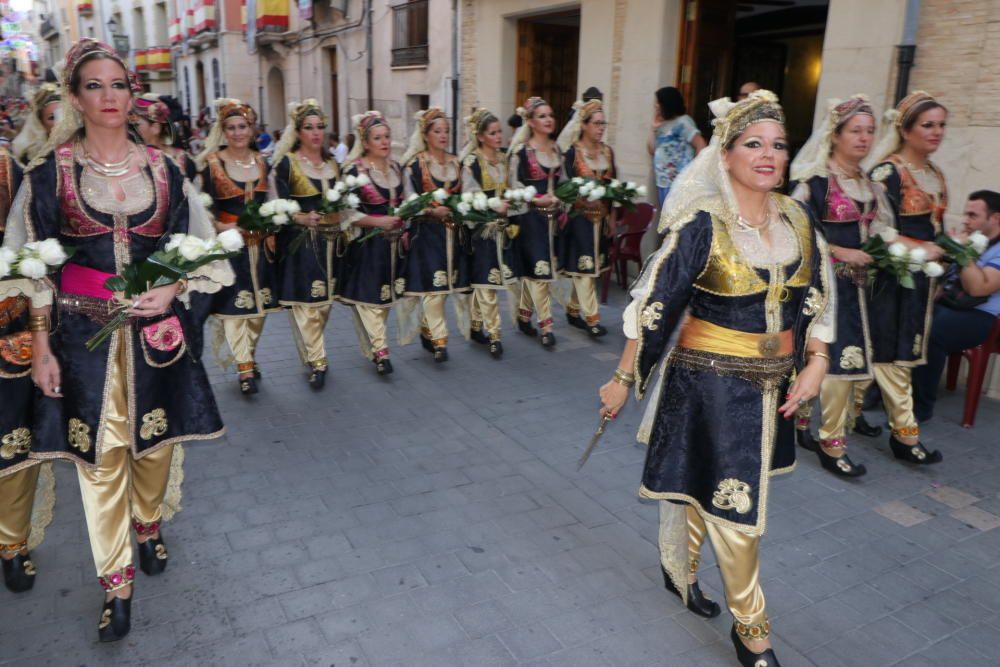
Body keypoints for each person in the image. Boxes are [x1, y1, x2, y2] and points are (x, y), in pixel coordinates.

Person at [598, 90, 834, 667]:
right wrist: (622, 379)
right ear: (724, 155)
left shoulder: (801, 222)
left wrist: (817, 364)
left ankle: (682, 567)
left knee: (713, 494)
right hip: (709, 386)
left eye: (778, 145)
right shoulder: (702, 228)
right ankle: (753, 631)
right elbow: (654, 305)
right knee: (738, 513)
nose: (769, 155)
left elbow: (820, 299)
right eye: (754, 144)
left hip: (775, 386)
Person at [7, 38, 228, 641]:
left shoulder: (166, 168)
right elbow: (30, 268)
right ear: (76, 98)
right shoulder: (49, 175)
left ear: (134, 95)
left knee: (154, 449)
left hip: (157, 334)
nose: (110, 96)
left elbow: (200, 249)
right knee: (100, 464)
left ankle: (150, 521)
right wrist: (43, 349)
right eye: (95, 86)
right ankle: (117, 585)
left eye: (120, 85)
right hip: (84, 342)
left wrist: (174, 286)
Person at [788, 95, 888, 477]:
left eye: (869, 131)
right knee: (836, 366)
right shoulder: (814, 182)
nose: (863, 139)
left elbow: (878, 231)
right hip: (828, 290)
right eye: (855, 131)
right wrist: (841, 252)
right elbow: (797, 234)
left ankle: (803, 424)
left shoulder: (868, 183)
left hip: (862, 292)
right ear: (836, 135)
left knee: (846, 363)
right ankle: (832, 444)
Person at [867, 91, 948, 463]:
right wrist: (918, 250)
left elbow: (936, 229)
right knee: (890, 353)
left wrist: (944, 255)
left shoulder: (934, 174)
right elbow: (873, 228)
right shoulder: (888, 172)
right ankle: (905, 435)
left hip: (922, 279)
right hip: (892, 276)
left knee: (896, 351)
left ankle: (847, 415)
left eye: (941, 125)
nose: (936, 132)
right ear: (906, 129)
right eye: (928, 125)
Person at [0, 144, 55, 595]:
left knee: (12, 441)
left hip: (7, 327)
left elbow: (36, 246)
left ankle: (11, 543)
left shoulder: (8, 167)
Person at [197, 98, 279, 396]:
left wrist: (274, 218)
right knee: (235, 308)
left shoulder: (262, 162)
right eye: (230, 128)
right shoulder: (211, 164)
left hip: (261, 246)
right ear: (223, 131)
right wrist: (221, 227)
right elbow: (201, 206)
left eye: (242, 126)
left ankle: (249, 356)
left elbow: (271, 201)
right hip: (231, 247)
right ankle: (244, 367)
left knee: (259, 310)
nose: (237, 133)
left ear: (252, 129)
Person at [912, 190, 1000, 421]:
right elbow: (944, 282)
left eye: (973, 215)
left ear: (996, 219)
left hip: (980, 317)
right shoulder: (970, 239)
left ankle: (920, 408)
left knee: (933, 332)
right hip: (949, 304)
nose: (965, 220)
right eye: (966, 214)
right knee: (906, 316)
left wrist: (962, 251)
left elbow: (978, 289)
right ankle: (883, 392)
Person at [270, 99, 339, 389]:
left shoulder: (334, 163)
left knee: (323, 304)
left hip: (332, 245)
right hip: (301, 243)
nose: (316, 133)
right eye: (309, 128)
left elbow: (346, 199)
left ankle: (311, 352)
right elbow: (277, 205)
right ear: (298, 132)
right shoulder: (286, 164)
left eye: (320, 127)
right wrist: (300, 216)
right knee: (308, 305)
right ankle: (318, 361)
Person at [335, 111, 406, 375]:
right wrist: (378, 222)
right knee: (369, 300)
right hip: (367, 245)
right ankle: (380, 351)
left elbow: (405, 201)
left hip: (394, 246)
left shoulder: (397, 167)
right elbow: (346, 213)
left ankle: (375, 345)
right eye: (378, 138)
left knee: (384, 300)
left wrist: (405, 216)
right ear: (366, 142)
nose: (385, 142)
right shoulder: (354, 171)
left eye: (387, 137)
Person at [400, 107, 470, 362]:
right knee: (435, 286)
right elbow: (409, 200)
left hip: (454, 235)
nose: (443, 136)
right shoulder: (415, 165)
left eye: (446, 131)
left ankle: (428, 330)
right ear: (425, 134)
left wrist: (463, 207)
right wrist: (431, 210)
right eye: (437, 131)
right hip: (427, 234)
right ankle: (440, 340)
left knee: (445, 286)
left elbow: (468, 194)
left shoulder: (456, 162)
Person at [556, 97, 616, 337]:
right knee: (586, 270)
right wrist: (581, 200)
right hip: (580, 219)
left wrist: (611, 218)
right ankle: (592, 319)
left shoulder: (608, 152)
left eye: (604, 123)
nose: (601, 128)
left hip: (600, 220)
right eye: (596, 123)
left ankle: (573, 310)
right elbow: (563, 189)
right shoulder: (572, 154)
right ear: (584, 125)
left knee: (589, 269)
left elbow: (613, 187)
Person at [459, 107, 516, 359]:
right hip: (483, 231)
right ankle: (494, 335)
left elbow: (515, 185)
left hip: (505, 231)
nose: (498, 137)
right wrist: (494, 204)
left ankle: (476, 325)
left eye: (499, 131)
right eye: (492, 133)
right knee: (487, 283)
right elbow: (469, 195)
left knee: (489, 281)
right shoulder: (472, 162)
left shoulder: (505, 159)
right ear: (481, 137)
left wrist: (517, 199)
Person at [508, 96, 565, 348]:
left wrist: (563, 199)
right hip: (531, 220)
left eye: (550, 115)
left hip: (555, 221)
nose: (549, 119)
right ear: (530, 121)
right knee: (539, 273)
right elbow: (514, 186)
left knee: (538, 271)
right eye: (542, 116)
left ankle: (523, 316)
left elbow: (565, 183)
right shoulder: (521, 153)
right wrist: (536, 199)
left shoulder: (557, 150)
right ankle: (546, 326)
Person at [648, 87, 706, 207]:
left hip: (680, 183)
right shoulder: (662, 124)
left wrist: (694, 172)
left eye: (659, 102)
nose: (656, 106)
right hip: (663, 182)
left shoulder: (683, 122)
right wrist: (653, 129)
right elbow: (652, 149)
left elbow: (701, 144)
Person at [130, 93, 197, 181]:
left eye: (137, 125)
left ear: (155, 128)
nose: (133, 130)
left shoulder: (184, 161)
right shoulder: (134, 160)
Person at [12, 83, 61, 165]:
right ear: (41, 124)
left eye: (61, 114)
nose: (59, 121)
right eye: (52, 118)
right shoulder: (30, 156)